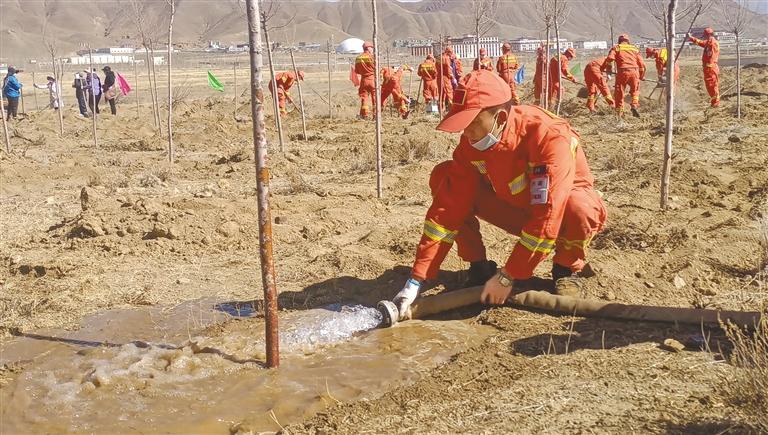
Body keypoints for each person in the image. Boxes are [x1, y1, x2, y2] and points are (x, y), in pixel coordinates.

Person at [391, 70, 607, 318]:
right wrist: (416, 280)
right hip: (517, 207)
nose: (465, 133)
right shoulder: (472, 144)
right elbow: (447, 210)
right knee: (444, 177)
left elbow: (548, 214)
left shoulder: (547, 135)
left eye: (471, 123)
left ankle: (565, 269)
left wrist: (508, 276)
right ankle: (479, 267)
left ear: (500, 117)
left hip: (559, 215)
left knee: (580, 208)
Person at [601, 34, 645, 118]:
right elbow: (641, 64)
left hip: (622, 72)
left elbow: (610, 59)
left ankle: (620, 114)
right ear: (628, 41)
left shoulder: (617, 48)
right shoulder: (634, 48)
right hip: (635, 71)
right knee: (635, 91)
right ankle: (634, 105)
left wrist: (609, 70)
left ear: (619, 41)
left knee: (619, 93)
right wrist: (641, 76)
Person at [687, 27, 720, 108]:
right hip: (708, 68)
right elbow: (701, 43)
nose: (704, 37)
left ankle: (715, 103)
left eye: (705, 36)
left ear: (708, 35)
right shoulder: (709, 42)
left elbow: (711, 57)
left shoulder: (712, 43)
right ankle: (714, 101)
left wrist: (708, 66)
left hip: (711, 68)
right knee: (709, 85)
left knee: (712, 85)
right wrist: (691, 38)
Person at [354, 41, 376, 119]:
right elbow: (376, 68)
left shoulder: (358, 58)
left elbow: (357, 71)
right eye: (372, 48)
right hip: (372, 80)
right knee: (375, 98)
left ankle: (364, 115)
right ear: (369, 48)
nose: (372, 50)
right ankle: (375, 115)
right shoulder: (372, 57)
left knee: (364, 98)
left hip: (363, 80)